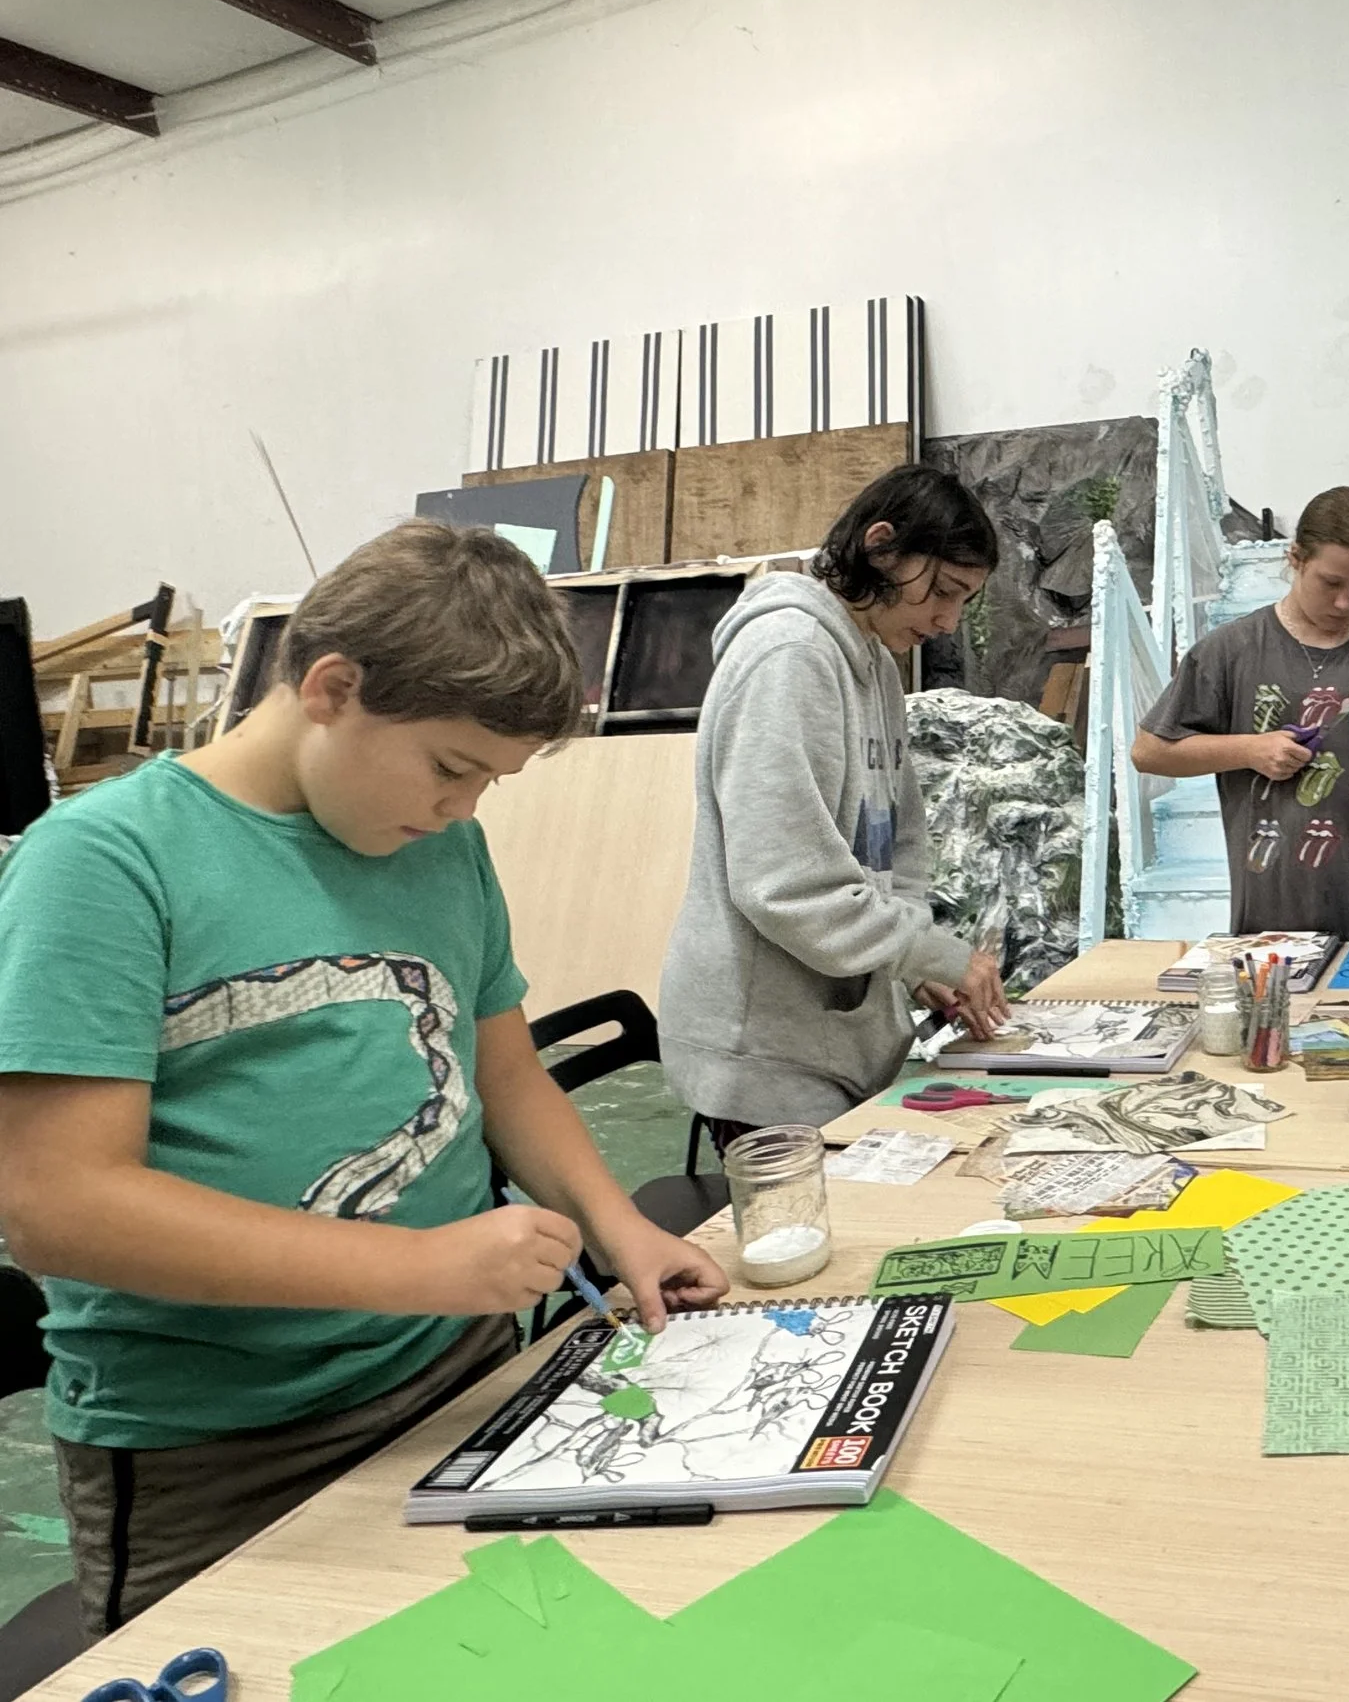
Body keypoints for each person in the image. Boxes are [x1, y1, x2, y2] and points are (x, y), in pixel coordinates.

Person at [0, 522, 729, 1637]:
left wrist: (612, 1223)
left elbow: (506, 1073)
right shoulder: (103, 863)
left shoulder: (436, 847)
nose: (463, 808)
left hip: (458, 1371)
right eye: (450, 767)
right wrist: (413, 1265)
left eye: (489, 781)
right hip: (224, 1446)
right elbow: (59, 1206)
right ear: (332, 686)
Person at [661, 466, 1009, 1139]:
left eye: (964, 601)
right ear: (881, 546)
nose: (946, 620)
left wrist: (909, 964)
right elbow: (785, 883)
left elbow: (897, 846)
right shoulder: (789, 654)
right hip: (764, 1048)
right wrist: (933, 952)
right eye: (940, 590)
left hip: (831, 1035)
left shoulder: (874, 661)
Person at [1133, 487, 1349, 943]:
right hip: (1280, 905)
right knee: (1284, 1013)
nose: (1346, 603)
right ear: (1295, 558)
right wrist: (1248, 749)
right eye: (1331, 583)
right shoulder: (1231, 650)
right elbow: (1149, 752)